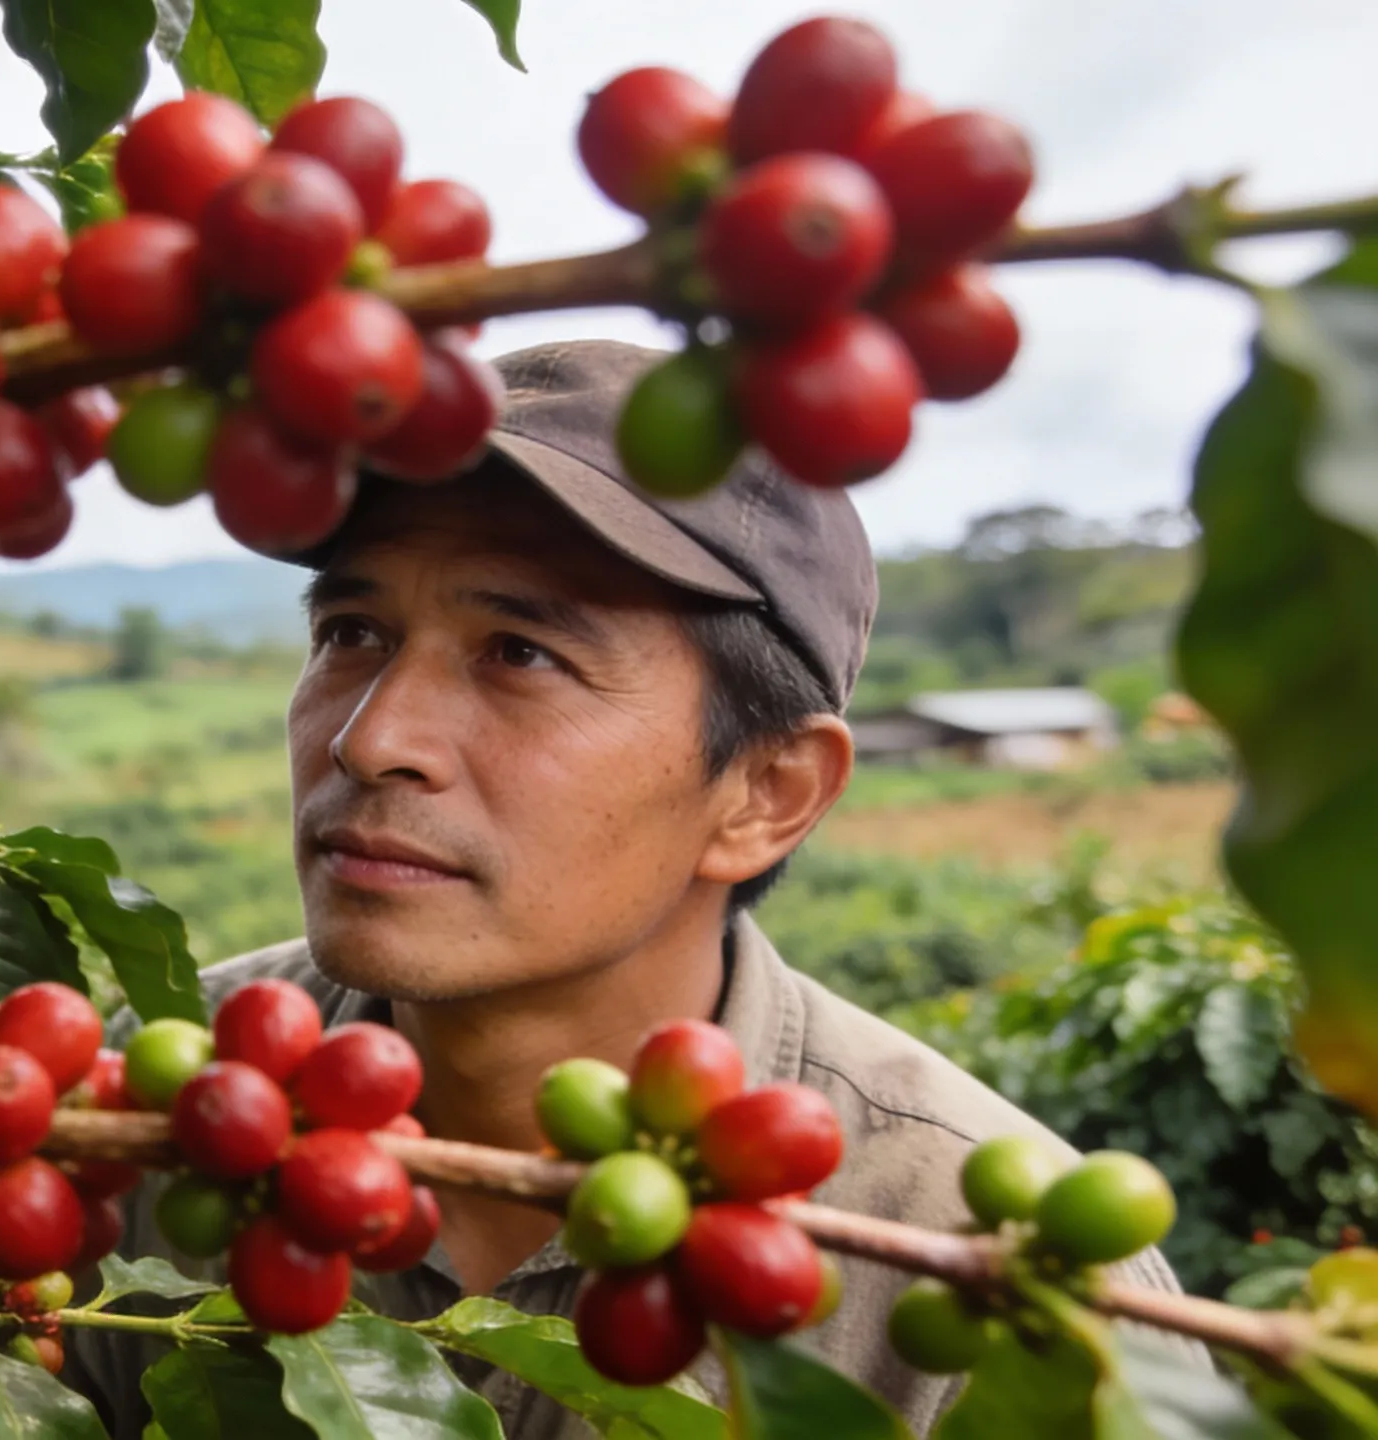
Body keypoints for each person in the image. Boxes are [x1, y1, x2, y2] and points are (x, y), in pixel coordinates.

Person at [63, 340, 1186, 1437]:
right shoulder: (160, 1117)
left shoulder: (990, 1279)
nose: (372, 739)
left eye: (520, 653)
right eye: (352, 632)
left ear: (767, 793)